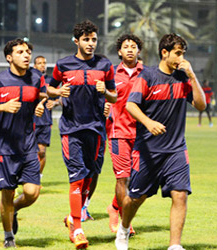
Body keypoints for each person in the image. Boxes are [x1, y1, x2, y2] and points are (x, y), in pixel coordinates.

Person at [115, 33, 206, 250]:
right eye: (177, 53)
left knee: (180, 195)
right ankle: (124, 228)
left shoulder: (183, 79)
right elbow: (130, 105)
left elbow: (201, 105)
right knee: (135, 198)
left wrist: (192, 76)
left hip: (175, 150)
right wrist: (148, 123)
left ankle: (175, 245)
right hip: (147, 150)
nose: (181, 58)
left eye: (183, 53)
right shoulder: (146, 76)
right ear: (164, 53)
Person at [47, 20, 117, 249]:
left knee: (89, 176)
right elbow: (48, 88)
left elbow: (114, 96)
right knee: (77, 176)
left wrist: (104, 92)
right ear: (76, 41)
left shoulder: (105, 65)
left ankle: (72, 217)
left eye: (94, 39)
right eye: (86, 39)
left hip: (96, 129)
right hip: (71, 129)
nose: (90, 43)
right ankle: (77, 229)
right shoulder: (63, 65)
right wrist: (58, 91)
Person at [0, 38, 47, 248]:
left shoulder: (36, 78)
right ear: (9, 57)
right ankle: (9, 236)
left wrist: (41, 105)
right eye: (20, 52)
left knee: (32, 192)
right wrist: (2, 107)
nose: (26, 55)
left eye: (27, 51)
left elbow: (42, 97)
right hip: (4, 146)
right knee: (7, 193)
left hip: (27, 145)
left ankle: (14, 209)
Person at [105, 34, 143, 234]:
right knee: (123, 178)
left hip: (143, 135)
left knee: (138, 180)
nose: (130, 49)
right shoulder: (111, 74)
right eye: (125, 46)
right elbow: (103, 99)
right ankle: (123, 222)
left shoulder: (146, 73)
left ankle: (113, 206)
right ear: (119, 51)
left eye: (133, 46)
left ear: (138, 50)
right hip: (118, 132)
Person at [33, 56, 57, 181]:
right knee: (28, 153)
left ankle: (38, 178)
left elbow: (60, 97)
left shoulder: (51, 82)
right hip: (30, 122)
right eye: (39, 63)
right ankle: (24, 177)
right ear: (34, 66)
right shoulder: (30, 80)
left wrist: (56, 103)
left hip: (45, 122)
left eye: (44, 63)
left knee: (41, 152)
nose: (42, 65)